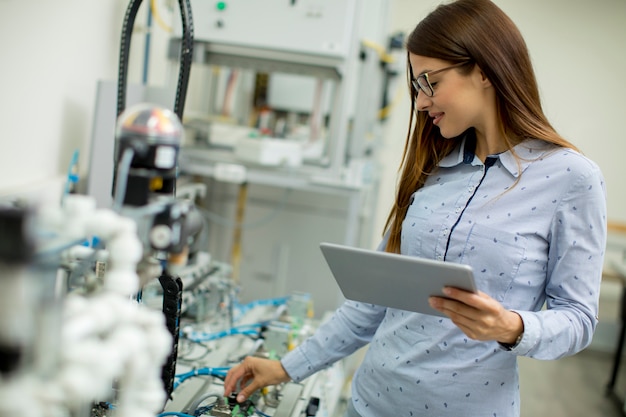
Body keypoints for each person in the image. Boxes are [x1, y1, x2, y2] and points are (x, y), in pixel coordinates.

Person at [223, 0, 607, 415]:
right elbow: (371, 303)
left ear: (483, 69)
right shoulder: (434, 166)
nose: (421, 102)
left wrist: (512, 327)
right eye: (416, 87)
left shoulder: (571, 178)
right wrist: (286, 367)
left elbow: (578, 320)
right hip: (368, 403)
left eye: (429, 82)